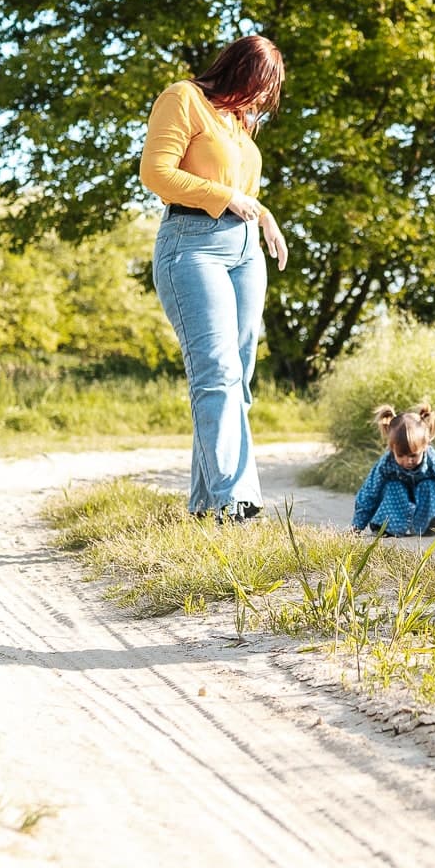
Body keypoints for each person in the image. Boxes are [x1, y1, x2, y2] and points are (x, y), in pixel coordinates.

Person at [138, 34, 290, 521]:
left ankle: (208, 505)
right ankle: (233, 501)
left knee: (238, 378)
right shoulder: (183, 99)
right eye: (260, 86)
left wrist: (265, 217)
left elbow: (243, 192)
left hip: (246, 250)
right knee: (217, 372)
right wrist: (224, 197)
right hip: (192, 245)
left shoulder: (239, 122)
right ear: (237, 71)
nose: (263, 100)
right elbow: (155, 174)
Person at [352, 403, 435, 537]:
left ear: (425, 446)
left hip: (426, 506)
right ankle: (388, 527)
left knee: (429, 484)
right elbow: (370, 493)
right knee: (393, 485)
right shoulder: (385, 464)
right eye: (401, 456)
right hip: (396, 505)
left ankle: (434, 525)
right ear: (392, 449)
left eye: (413, 455)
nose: (408, 461)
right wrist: (357, 527)